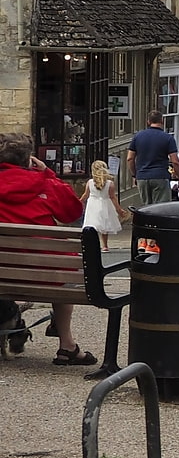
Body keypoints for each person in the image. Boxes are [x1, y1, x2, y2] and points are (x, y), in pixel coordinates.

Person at [0, 133, 93, 365]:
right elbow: (72, 213)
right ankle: (67, 346)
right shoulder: (46, 184)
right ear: (29, 160)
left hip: (2, 272)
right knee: (62, 265)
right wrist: (48, 173)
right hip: (47, 276)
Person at [127, 111, 179, 208]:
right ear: (162, 121)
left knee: (146, 208)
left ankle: (148, 223)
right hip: (160, 176)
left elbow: (130, 158)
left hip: (142, 176)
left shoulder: (138, 136)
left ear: (148, 122)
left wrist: (135, 175)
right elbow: (175, 161)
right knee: (161, 208)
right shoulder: (168, 138)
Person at [83, 160, 128, 244]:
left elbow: (85, 194)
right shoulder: (110, 183)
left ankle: (93, 243)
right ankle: (105, 245)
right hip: (105, 204)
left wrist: (79, 201)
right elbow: (113, 197)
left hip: (92, 205)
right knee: (104, 225)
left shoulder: (90, 182)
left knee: (92, 223)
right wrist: (119, 210)